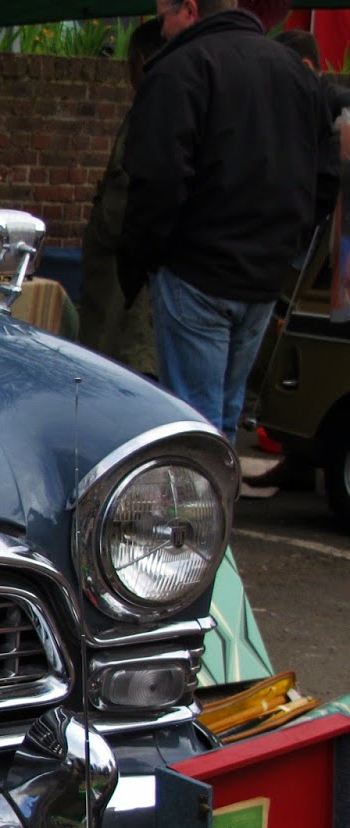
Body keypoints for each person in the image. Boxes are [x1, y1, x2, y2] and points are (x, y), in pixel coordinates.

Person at [118, 0, 335, 444]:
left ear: (191, 10)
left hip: (197, 270)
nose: (160, 31)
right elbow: (325, 168)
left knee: (194, 421)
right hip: (260, 274)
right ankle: (218, 507)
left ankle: (201, 512)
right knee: (225, 415)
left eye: (164, 18)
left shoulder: (181, 69)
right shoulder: (293, 72)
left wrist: (143, 257)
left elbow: (158, 178)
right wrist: (289, 239)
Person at [245, 28, 349, 490]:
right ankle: (299, 450)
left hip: (319, 241)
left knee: (310, 346)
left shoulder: (328, 103)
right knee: (291, 343)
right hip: (304, 241)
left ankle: (302, 448)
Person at [78, 18, 165, 378]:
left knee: (121, 373)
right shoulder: (169, 109)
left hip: (126, 288)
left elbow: (121, 206)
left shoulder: (153, 113)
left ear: (142, 62)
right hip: (129, 281)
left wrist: (99, 233)